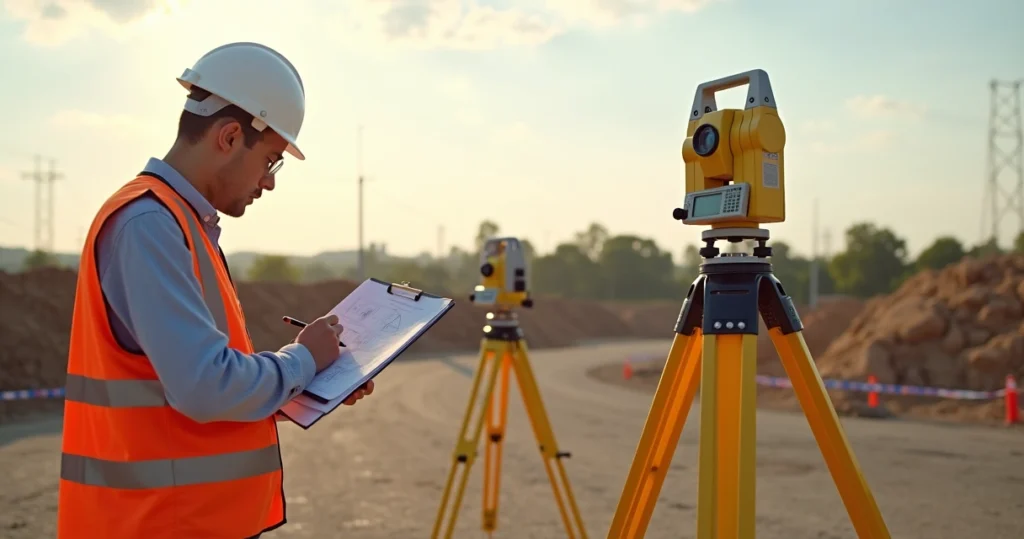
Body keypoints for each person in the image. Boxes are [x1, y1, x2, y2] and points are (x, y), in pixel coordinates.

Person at [55, 42, 372, 539]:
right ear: (228, 137)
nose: (268, 183)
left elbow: (181, 387)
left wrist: (306, 389)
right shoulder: (149, 225)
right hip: (157, 524)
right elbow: (205, 386)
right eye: (270, 160)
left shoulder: (180, 225)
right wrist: (302, 360)